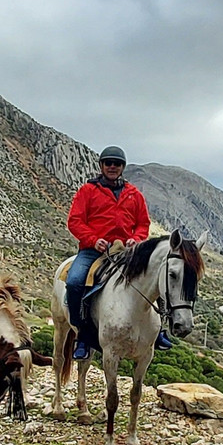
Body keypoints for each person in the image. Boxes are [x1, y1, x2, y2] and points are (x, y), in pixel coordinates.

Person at [65, 145, 174, 360]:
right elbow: (75, 221)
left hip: (126, 250)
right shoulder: (87, 191)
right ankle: (83, 335)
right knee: (74, 281)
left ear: (122, 167)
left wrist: (137, 238)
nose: (112, 167)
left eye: (117, 163)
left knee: (156, 276)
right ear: (102, 166)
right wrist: (93, 240)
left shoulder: (134, 194)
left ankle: (159, 330)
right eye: (108, 163)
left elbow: (143, 223)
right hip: (94, 251)